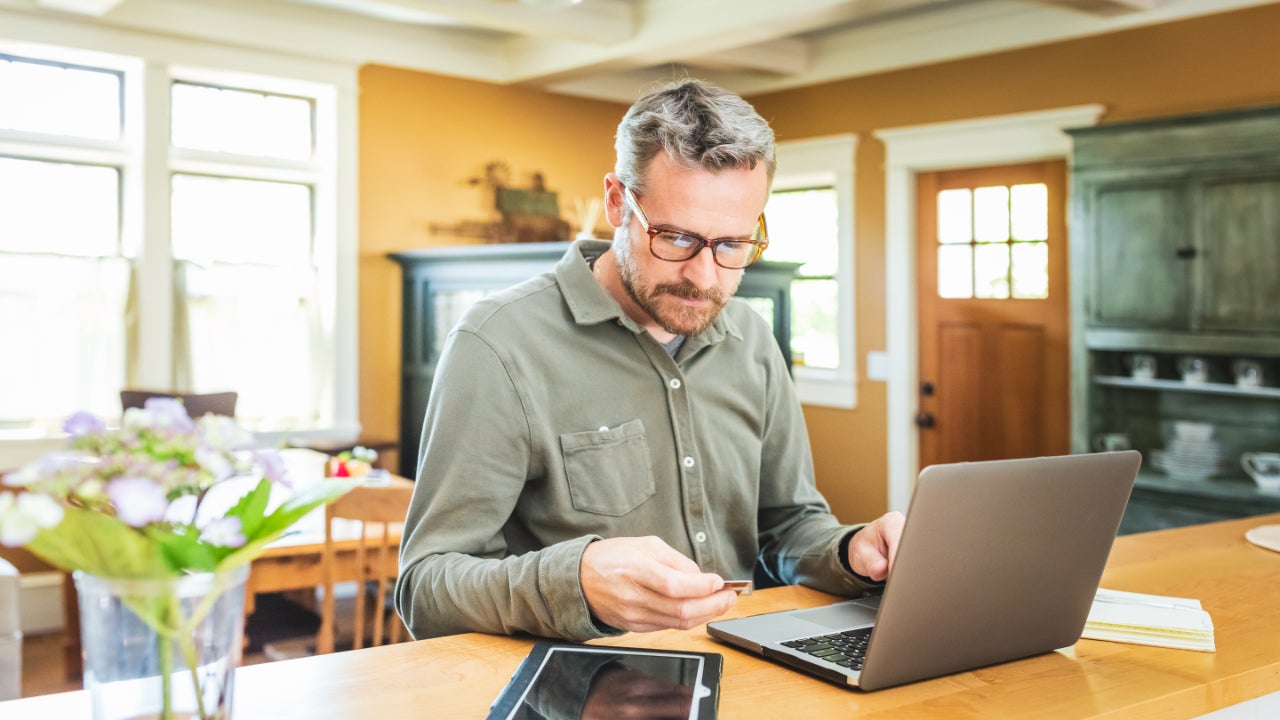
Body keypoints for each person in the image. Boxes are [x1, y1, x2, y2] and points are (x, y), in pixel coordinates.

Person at [395, 78, 904, 641]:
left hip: (751, 678)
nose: (705, 277)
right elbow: (425, 589)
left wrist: (852, 552)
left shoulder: (752, 341)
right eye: (677, 238)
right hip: (574, 688)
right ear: (617, 202)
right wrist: (576, 583)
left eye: (733, 245)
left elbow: (788, 527)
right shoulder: (498, 344)